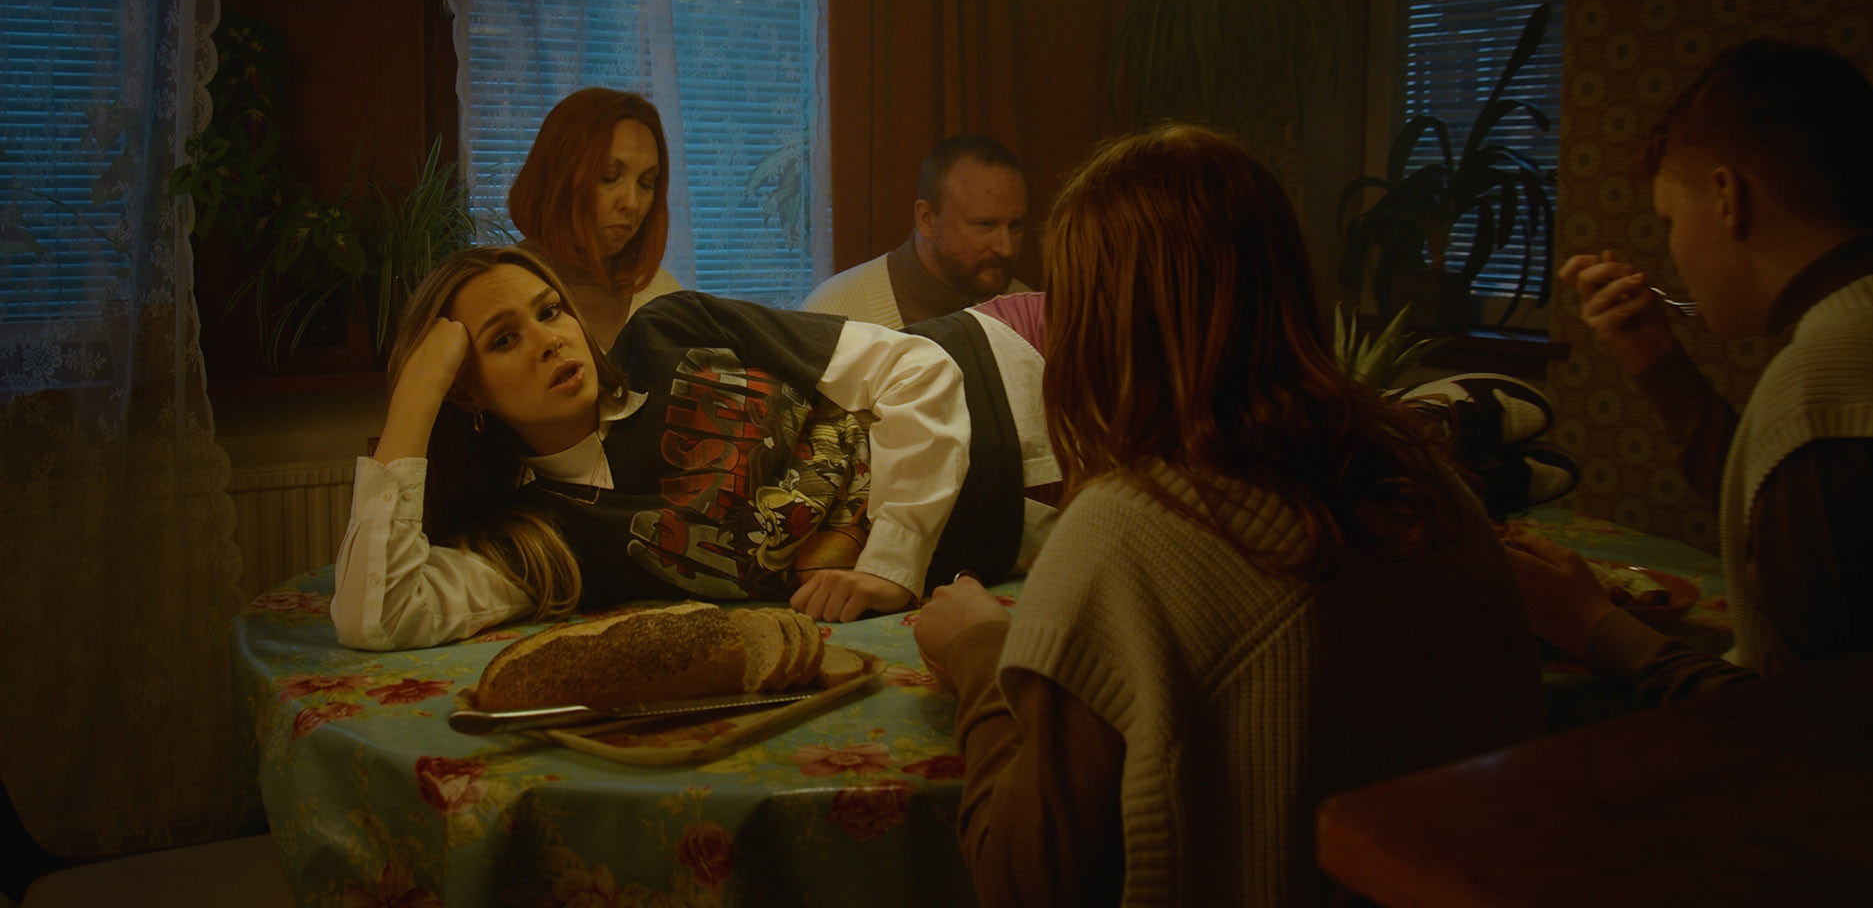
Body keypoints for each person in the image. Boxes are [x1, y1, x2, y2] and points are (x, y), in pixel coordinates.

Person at [911, 125, 1544, 905]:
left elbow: (1021, 882)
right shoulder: (1428, 481)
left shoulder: (1126, 528)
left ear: (1102, 324)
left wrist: (979, 653)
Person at [332, 245, 1051, 651]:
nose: (548, 340)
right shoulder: (547, 539)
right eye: (503, 340)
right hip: (1010, 533)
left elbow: (916, 366)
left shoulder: (669, 332)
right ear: (466, 394)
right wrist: (416, 395)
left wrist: (892, 562)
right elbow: (379, 614)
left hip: (1018, 364)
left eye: (550, 311)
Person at [1507, 38, 1873, 704]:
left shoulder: (1833, 387)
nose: (1671, 248)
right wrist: (1657, 363)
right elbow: (1772, 516)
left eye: (1670, 219)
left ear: (1728, 196)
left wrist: (1589, 624)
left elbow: (1806, 722)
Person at [508, 88, 683, 349]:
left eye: (646, 183)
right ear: (557, 178)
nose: (632, 203)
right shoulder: (500, 291)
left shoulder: (661, 292)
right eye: (609, 177)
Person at [801, 135, 1030, 327]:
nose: (1006, 249)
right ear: (926, 220)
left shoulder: (1029, 315)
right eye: (985, 225)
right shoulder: (832, 314)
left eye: (1015, 226)